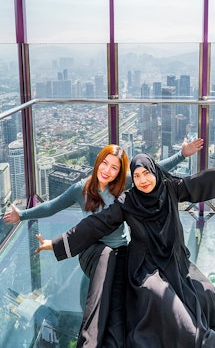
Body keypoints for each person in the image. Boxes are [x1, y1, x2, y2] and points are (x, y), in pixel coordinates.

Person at [35, 141, 215, 347]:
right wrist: (55, 244)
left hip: (175, 261)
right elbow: (96, 224)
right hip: (145, 268)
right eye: (137, 176)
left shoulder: (171, 188)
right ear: (131, 180)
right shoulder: (128, 201)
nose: (143, 180)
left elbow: (202, 181)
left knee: (204, 293)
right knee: (162, 298)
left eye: (147, 173)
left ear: (155, 172)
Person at [4, 138, 204, 347]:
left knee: (120, 299)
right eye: (105, 163)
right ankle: (90, 336)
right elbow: (52, 207)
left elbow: (154, 171)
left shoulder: (122, 184)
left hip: (121, 252)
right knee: (98, 287)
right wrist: (22, 215)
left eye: (114, 168)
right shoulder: (80, 189)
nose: (108, 170)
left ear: (120, 172)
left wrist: (182, 154)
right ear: (98, 161)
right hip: (92, 251)